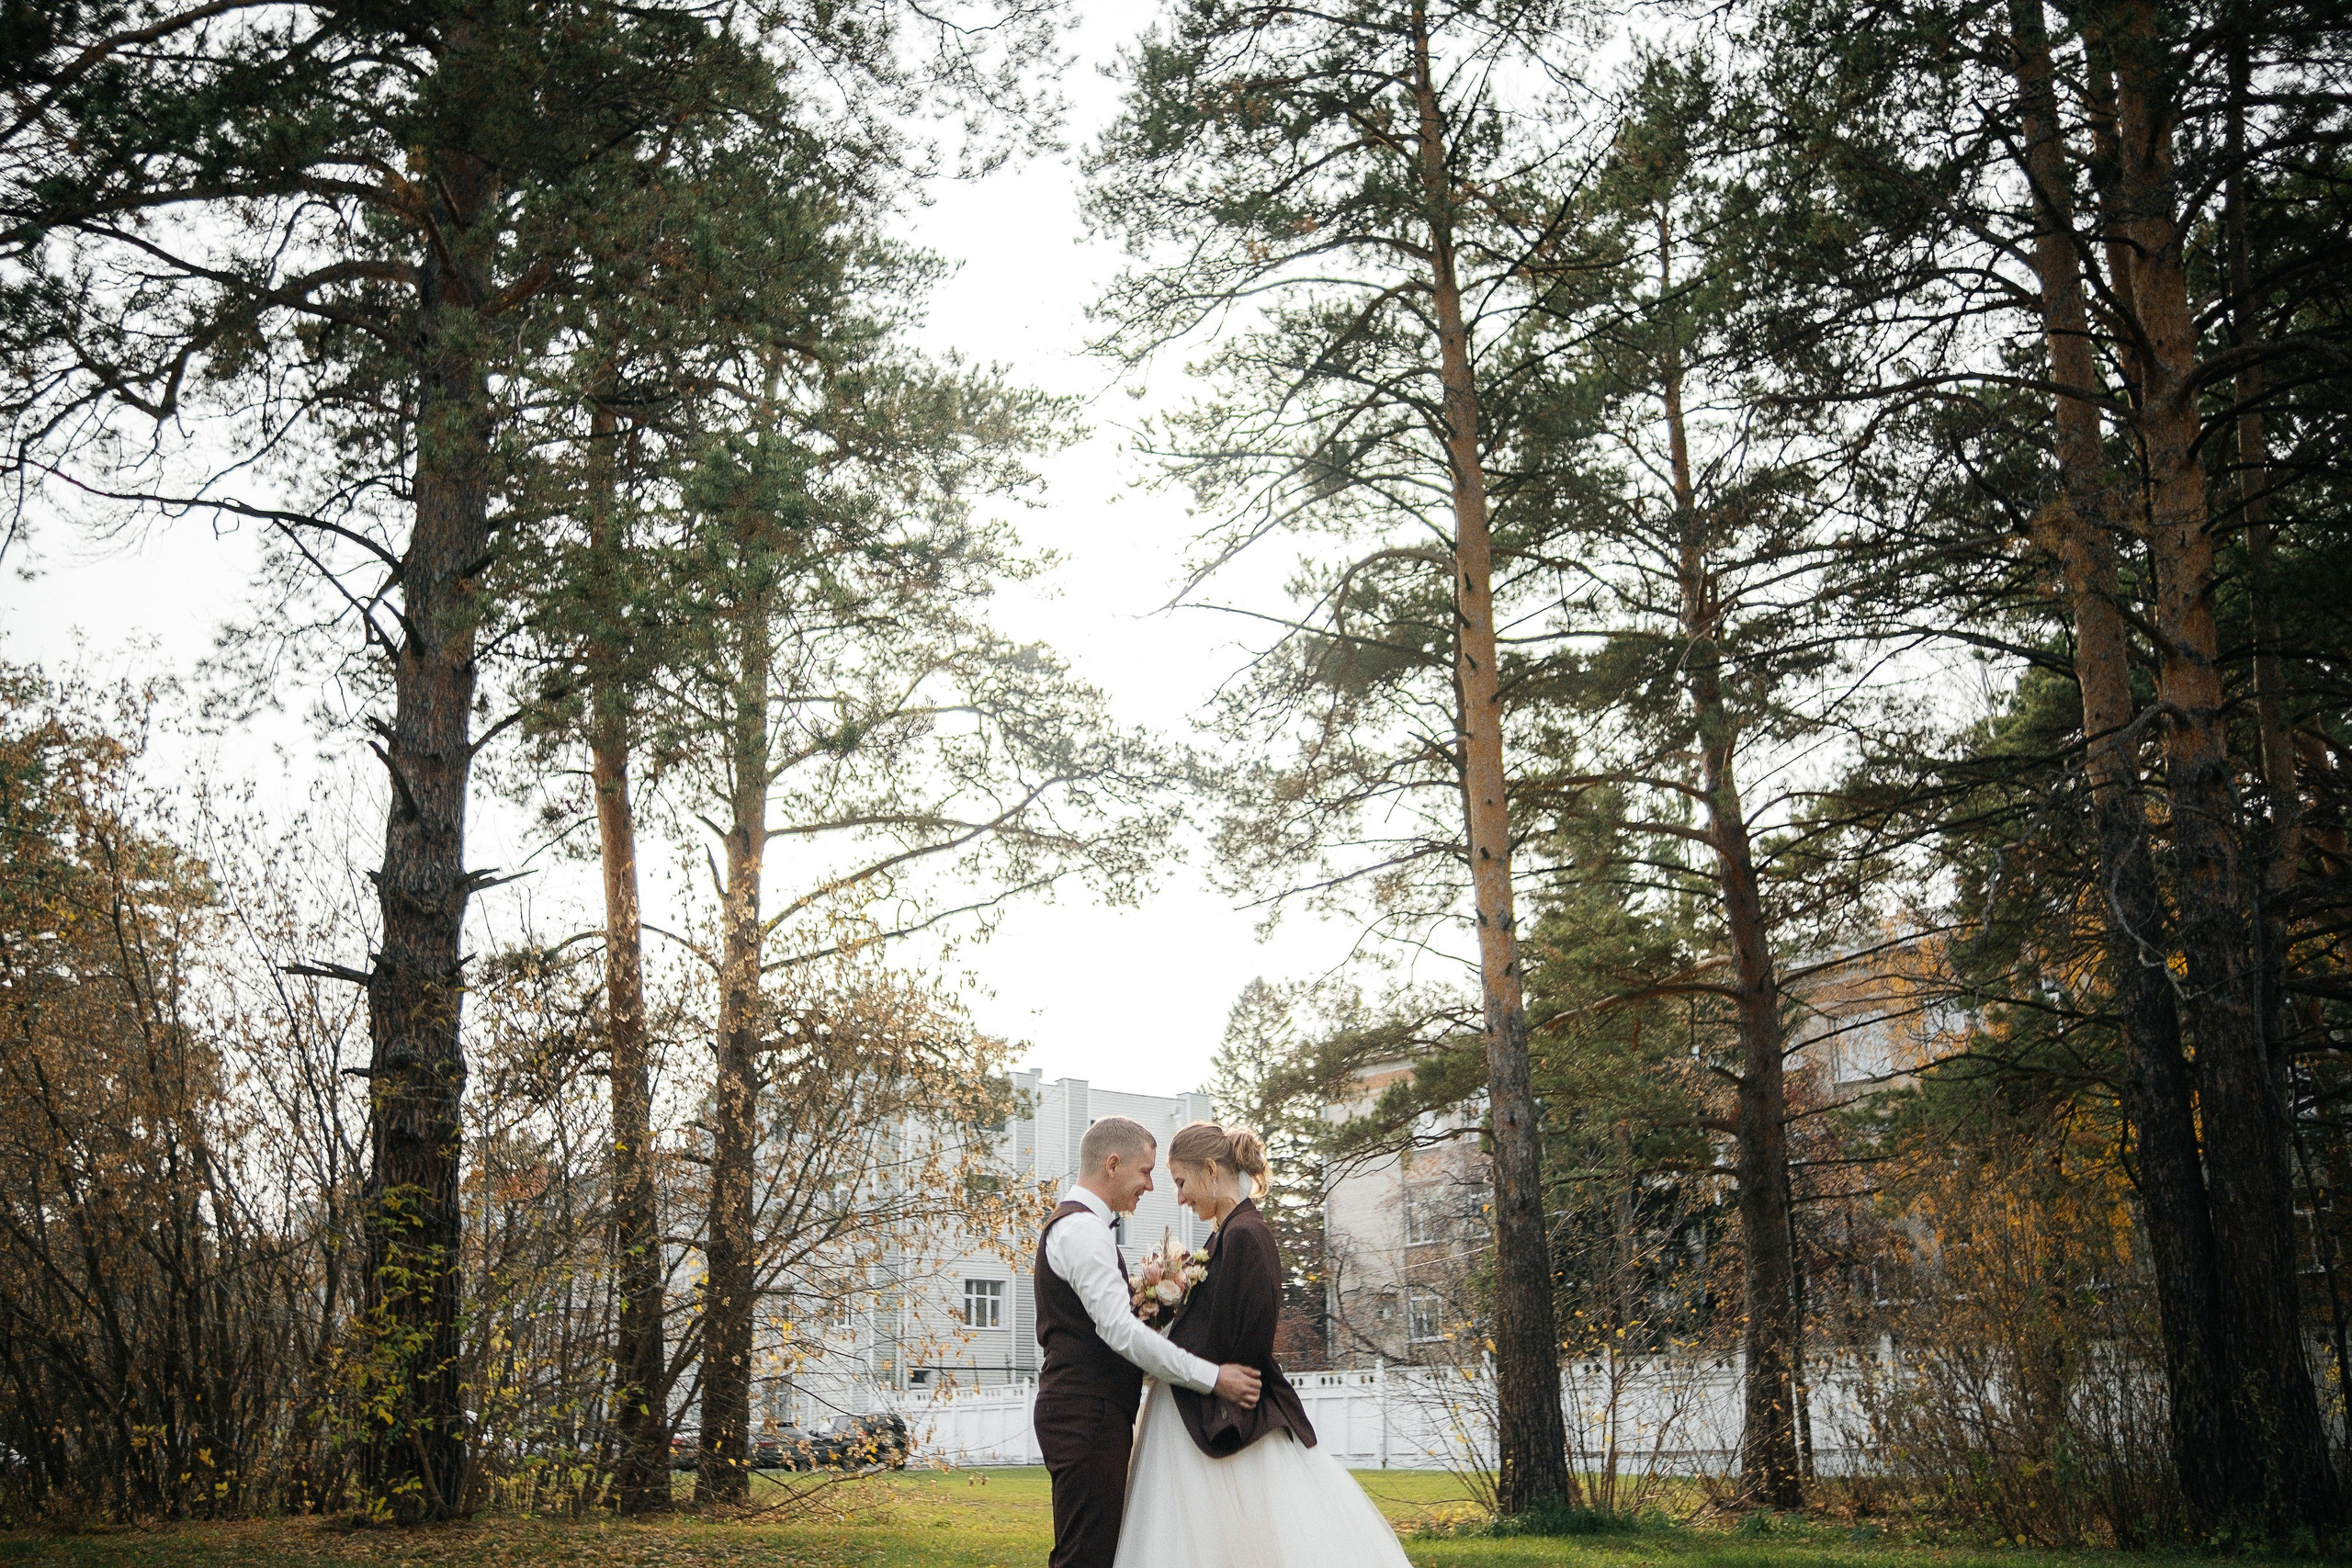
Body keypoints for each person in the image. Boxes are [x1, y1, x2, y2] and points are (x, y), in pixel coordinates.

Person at [1112, 1122, 1414, 1568]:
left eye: (1181, 1182)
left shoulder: (1245, 1235)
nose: (1179, 1197)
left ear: (1211, 1169)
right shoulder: (1226, 1233)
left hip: (1222, 1407)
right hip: (1195, 1403)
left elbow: (1245, 1339)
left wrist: (1168, 1349)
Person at [1034, 1116, 1264, 1568]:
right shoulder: (1082, 1231)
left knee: (1090, 1549)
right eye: (1145, 1172)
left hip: (1088, 1413)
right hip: (1086, 1415)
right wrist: (1212, 1377)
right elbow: (1120, 1332)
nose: (1152, 1186)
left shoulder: (1083, 1228)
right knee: (1086, 1556)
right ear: (1113, 1164)